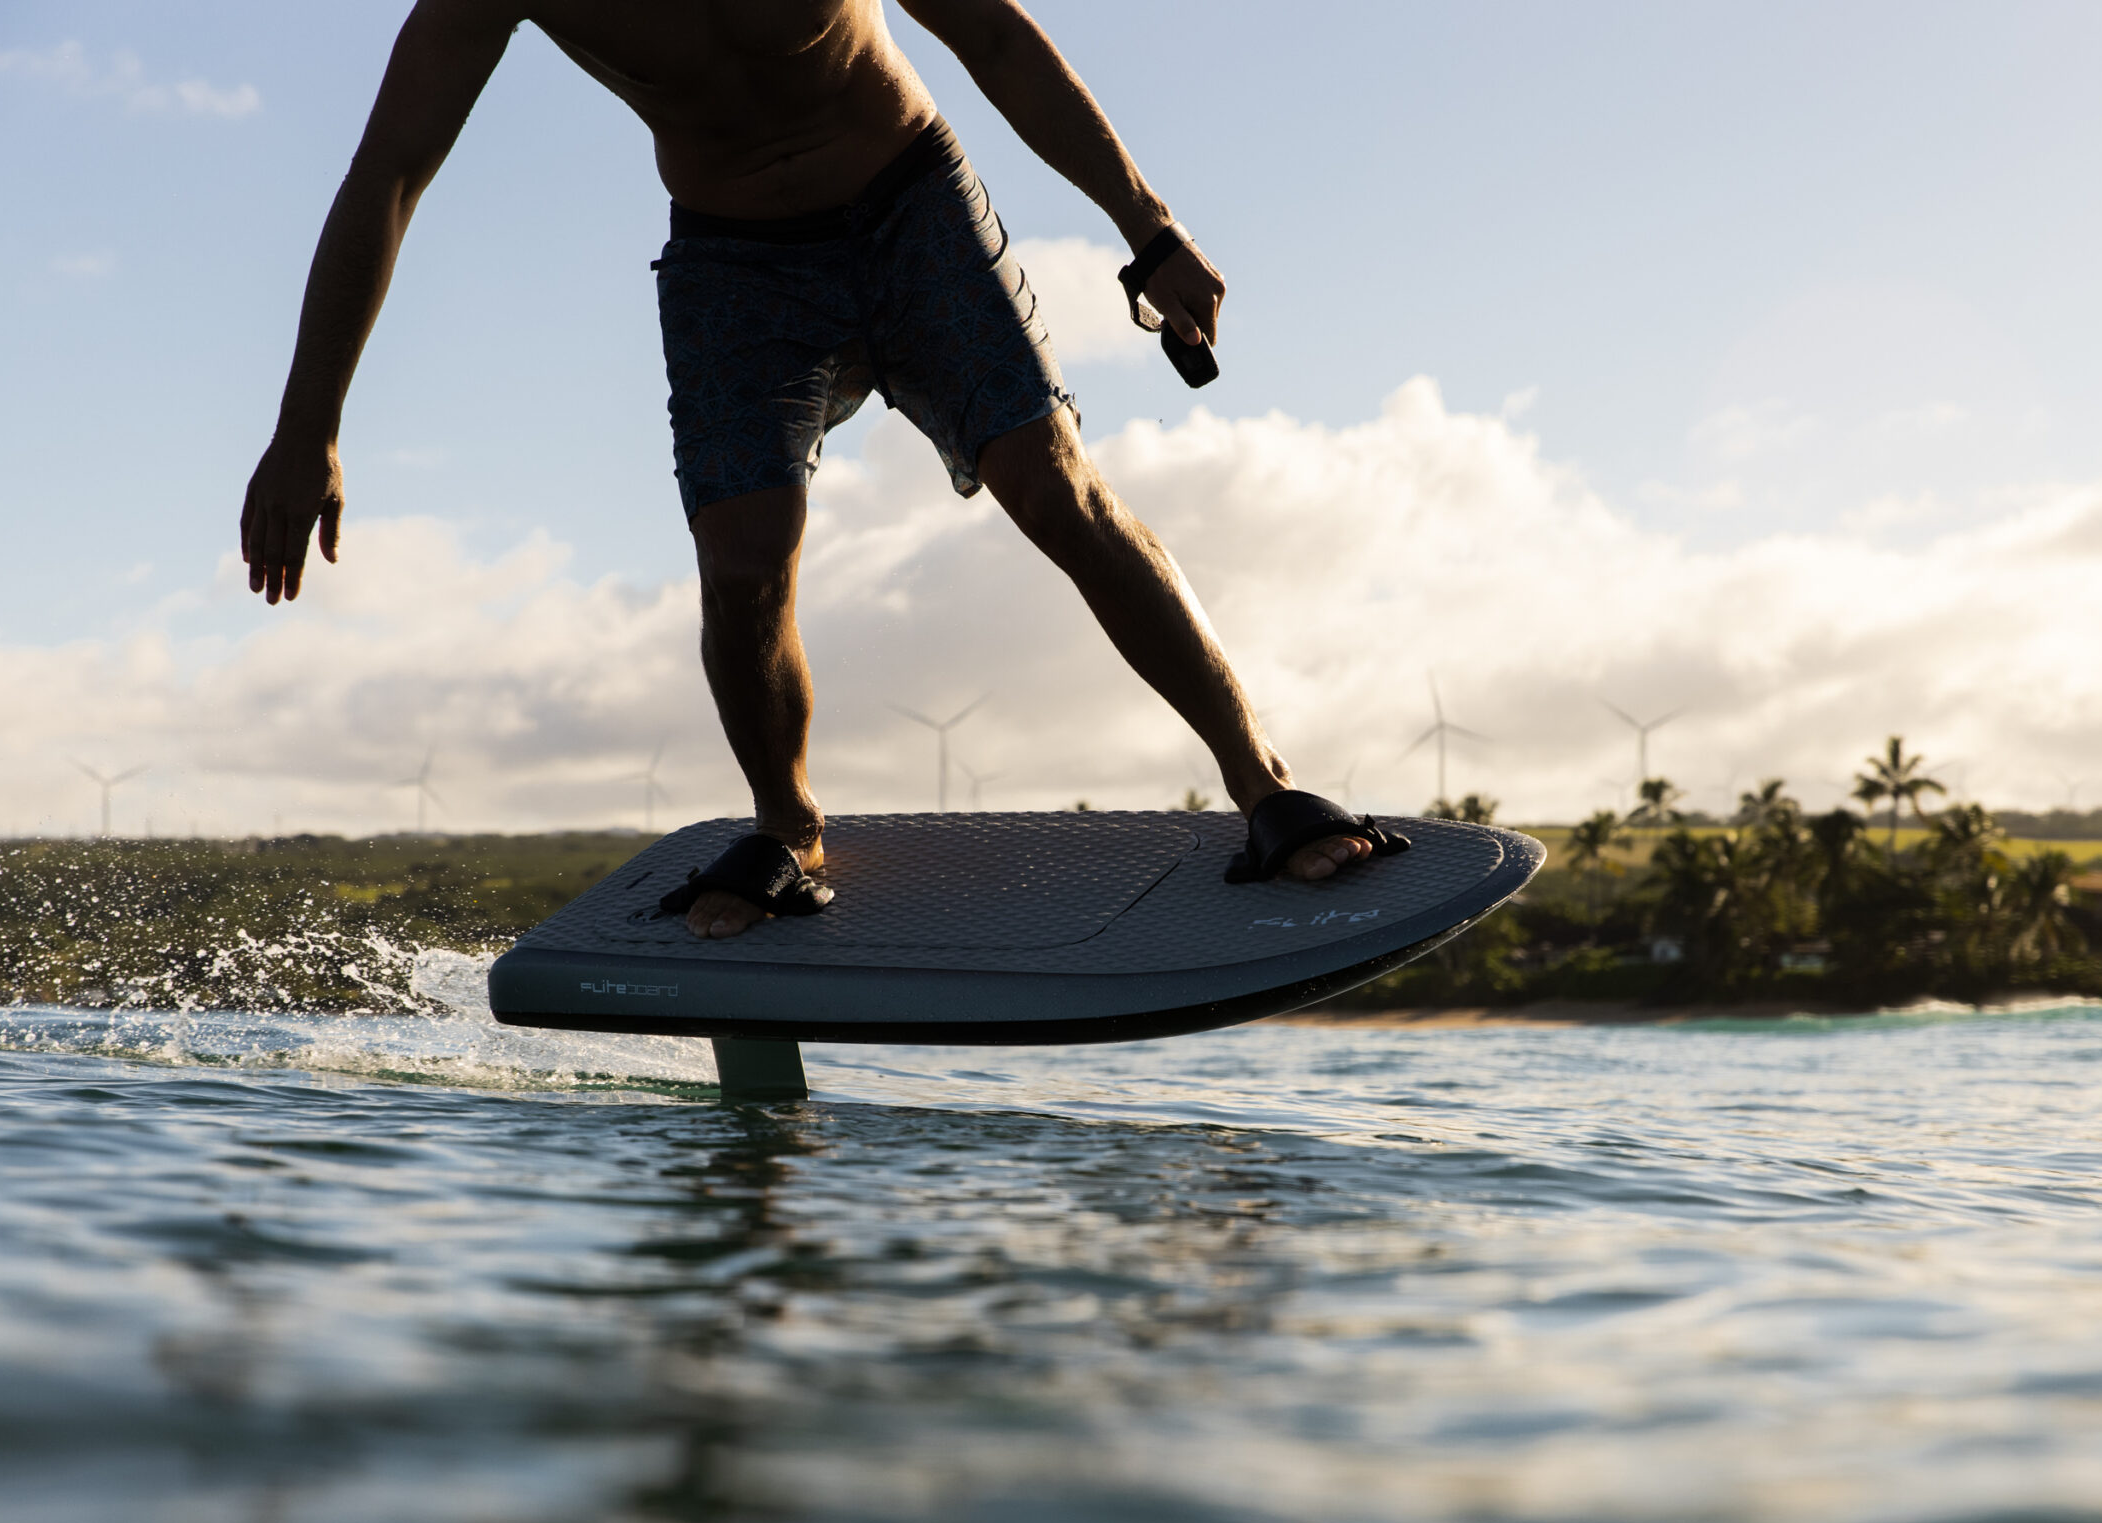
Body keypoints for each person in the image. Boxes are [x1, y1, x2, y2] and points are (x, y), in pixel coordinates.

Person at [239, 0, 1404, 939]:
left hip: (912, 204)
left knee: (1053, 486)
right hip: (734, 266)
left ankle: (1262, 782)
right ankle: (788, 830)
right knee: (742, 569)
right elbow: (389, 170)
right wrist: (307, 426)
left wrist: (1145, 229)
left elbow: (990, 31)